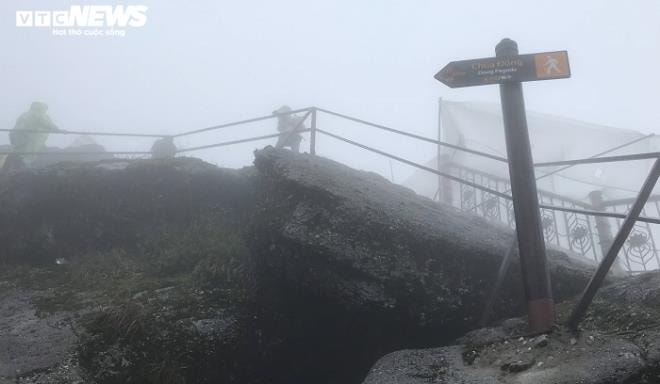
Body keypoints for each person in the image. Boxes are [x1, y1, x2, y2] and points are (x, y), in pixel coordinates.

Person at [4, 101, 62, 171]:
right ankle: (24, 167)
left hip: (19, 138)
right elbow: (47, 124)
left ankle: (12, 168)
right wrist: (58, 130)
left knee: (19, 153)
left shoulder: (24, 115)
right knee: (29, 153)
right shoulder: (39, 114)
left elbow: (16, 129)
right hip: (30, 139)